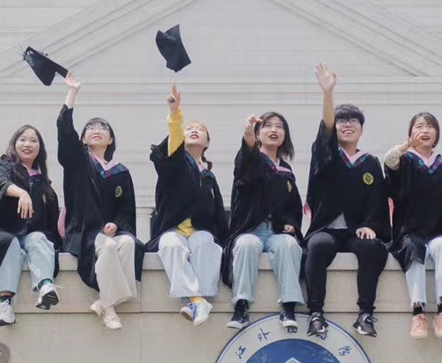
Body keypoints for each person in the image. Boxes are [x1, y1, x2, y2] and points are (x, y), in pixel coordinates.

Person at [303, 64, 390, 339]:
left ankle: (365, 314)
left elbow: (377, 200)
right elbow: (326, 131)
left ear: (361, 130)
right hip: (327, 228)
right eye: (342, 121)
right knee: (317, 246)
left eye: (354, 121)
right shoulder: (326, 155)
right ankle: (315, 313)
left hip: (356, 230)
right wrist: (328, 94)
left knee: (371, 248)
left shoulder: (370, 163)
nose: (348, 124)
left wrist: (370, 225)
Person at [57, 74, 142, 330]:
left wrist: (117, 224)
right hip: (83, 231)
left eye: (102, 127)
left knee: (128, 242)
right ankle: (110, 309)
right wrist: (72, 92)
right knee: (108, 246)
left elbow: (126, 209)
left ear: (111, 139)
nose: (96, 129)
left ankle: (103, 300)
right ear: (83, 139)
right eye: (90, 127)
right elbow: (64, 131)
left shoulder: (120, 172)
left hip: (109, 231)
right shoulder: (78, 162)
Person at [386, 112, 442, 339]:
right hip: (410, 231)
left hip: (440, 232)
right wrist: (406, 146)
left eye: (429, 126)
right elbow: (389, 161)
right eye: (419, 126)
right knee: (414, 248)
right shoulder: (404, 161)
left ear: (437, 133)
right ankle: (418, 313)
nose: (424, 130)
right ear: (410, 133)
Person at [149, 84, 227, 327]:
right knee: (170, 245)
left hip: (199, 229)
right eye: (189, 128)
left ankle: (196, 301)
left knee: (206, 243)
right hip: (173, 228)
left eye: (200, 129)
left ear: (207, 142)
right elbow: (172, 148)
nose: (194, 130)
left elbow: (218, 214)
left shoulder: (209, 176)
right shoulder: (177, 163)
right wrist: (175, 116)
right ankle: (196, 299)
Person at [223, 111, 305, 330]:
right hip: (250, 229)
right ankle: (241, 306)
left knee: (289, 245)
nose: (274, 130)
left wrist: (291, 223)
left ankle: (288, 306)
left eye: (279, 126)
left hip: (276, 232)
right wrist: (248, 134)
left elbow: (294, 205)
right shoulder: (252, 160)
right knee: (246, 245)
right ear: (258, 134)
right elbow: (245, 162)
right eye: (268, 126)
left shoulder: (286, 170)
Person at [0, 123, 62, 327]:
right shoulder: (2, 165)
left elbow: (53, 222)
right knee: (10, 243)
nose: (28, 144)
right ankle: (5, 305)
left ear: (40, 148)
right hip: (2, 231)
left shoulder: (43, 182)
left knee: (39, 238)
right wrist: (21, 193)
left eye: (33, 141)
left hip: (30, 235)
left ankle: (46, 286)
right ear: (14, 143)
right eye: (23, 139)